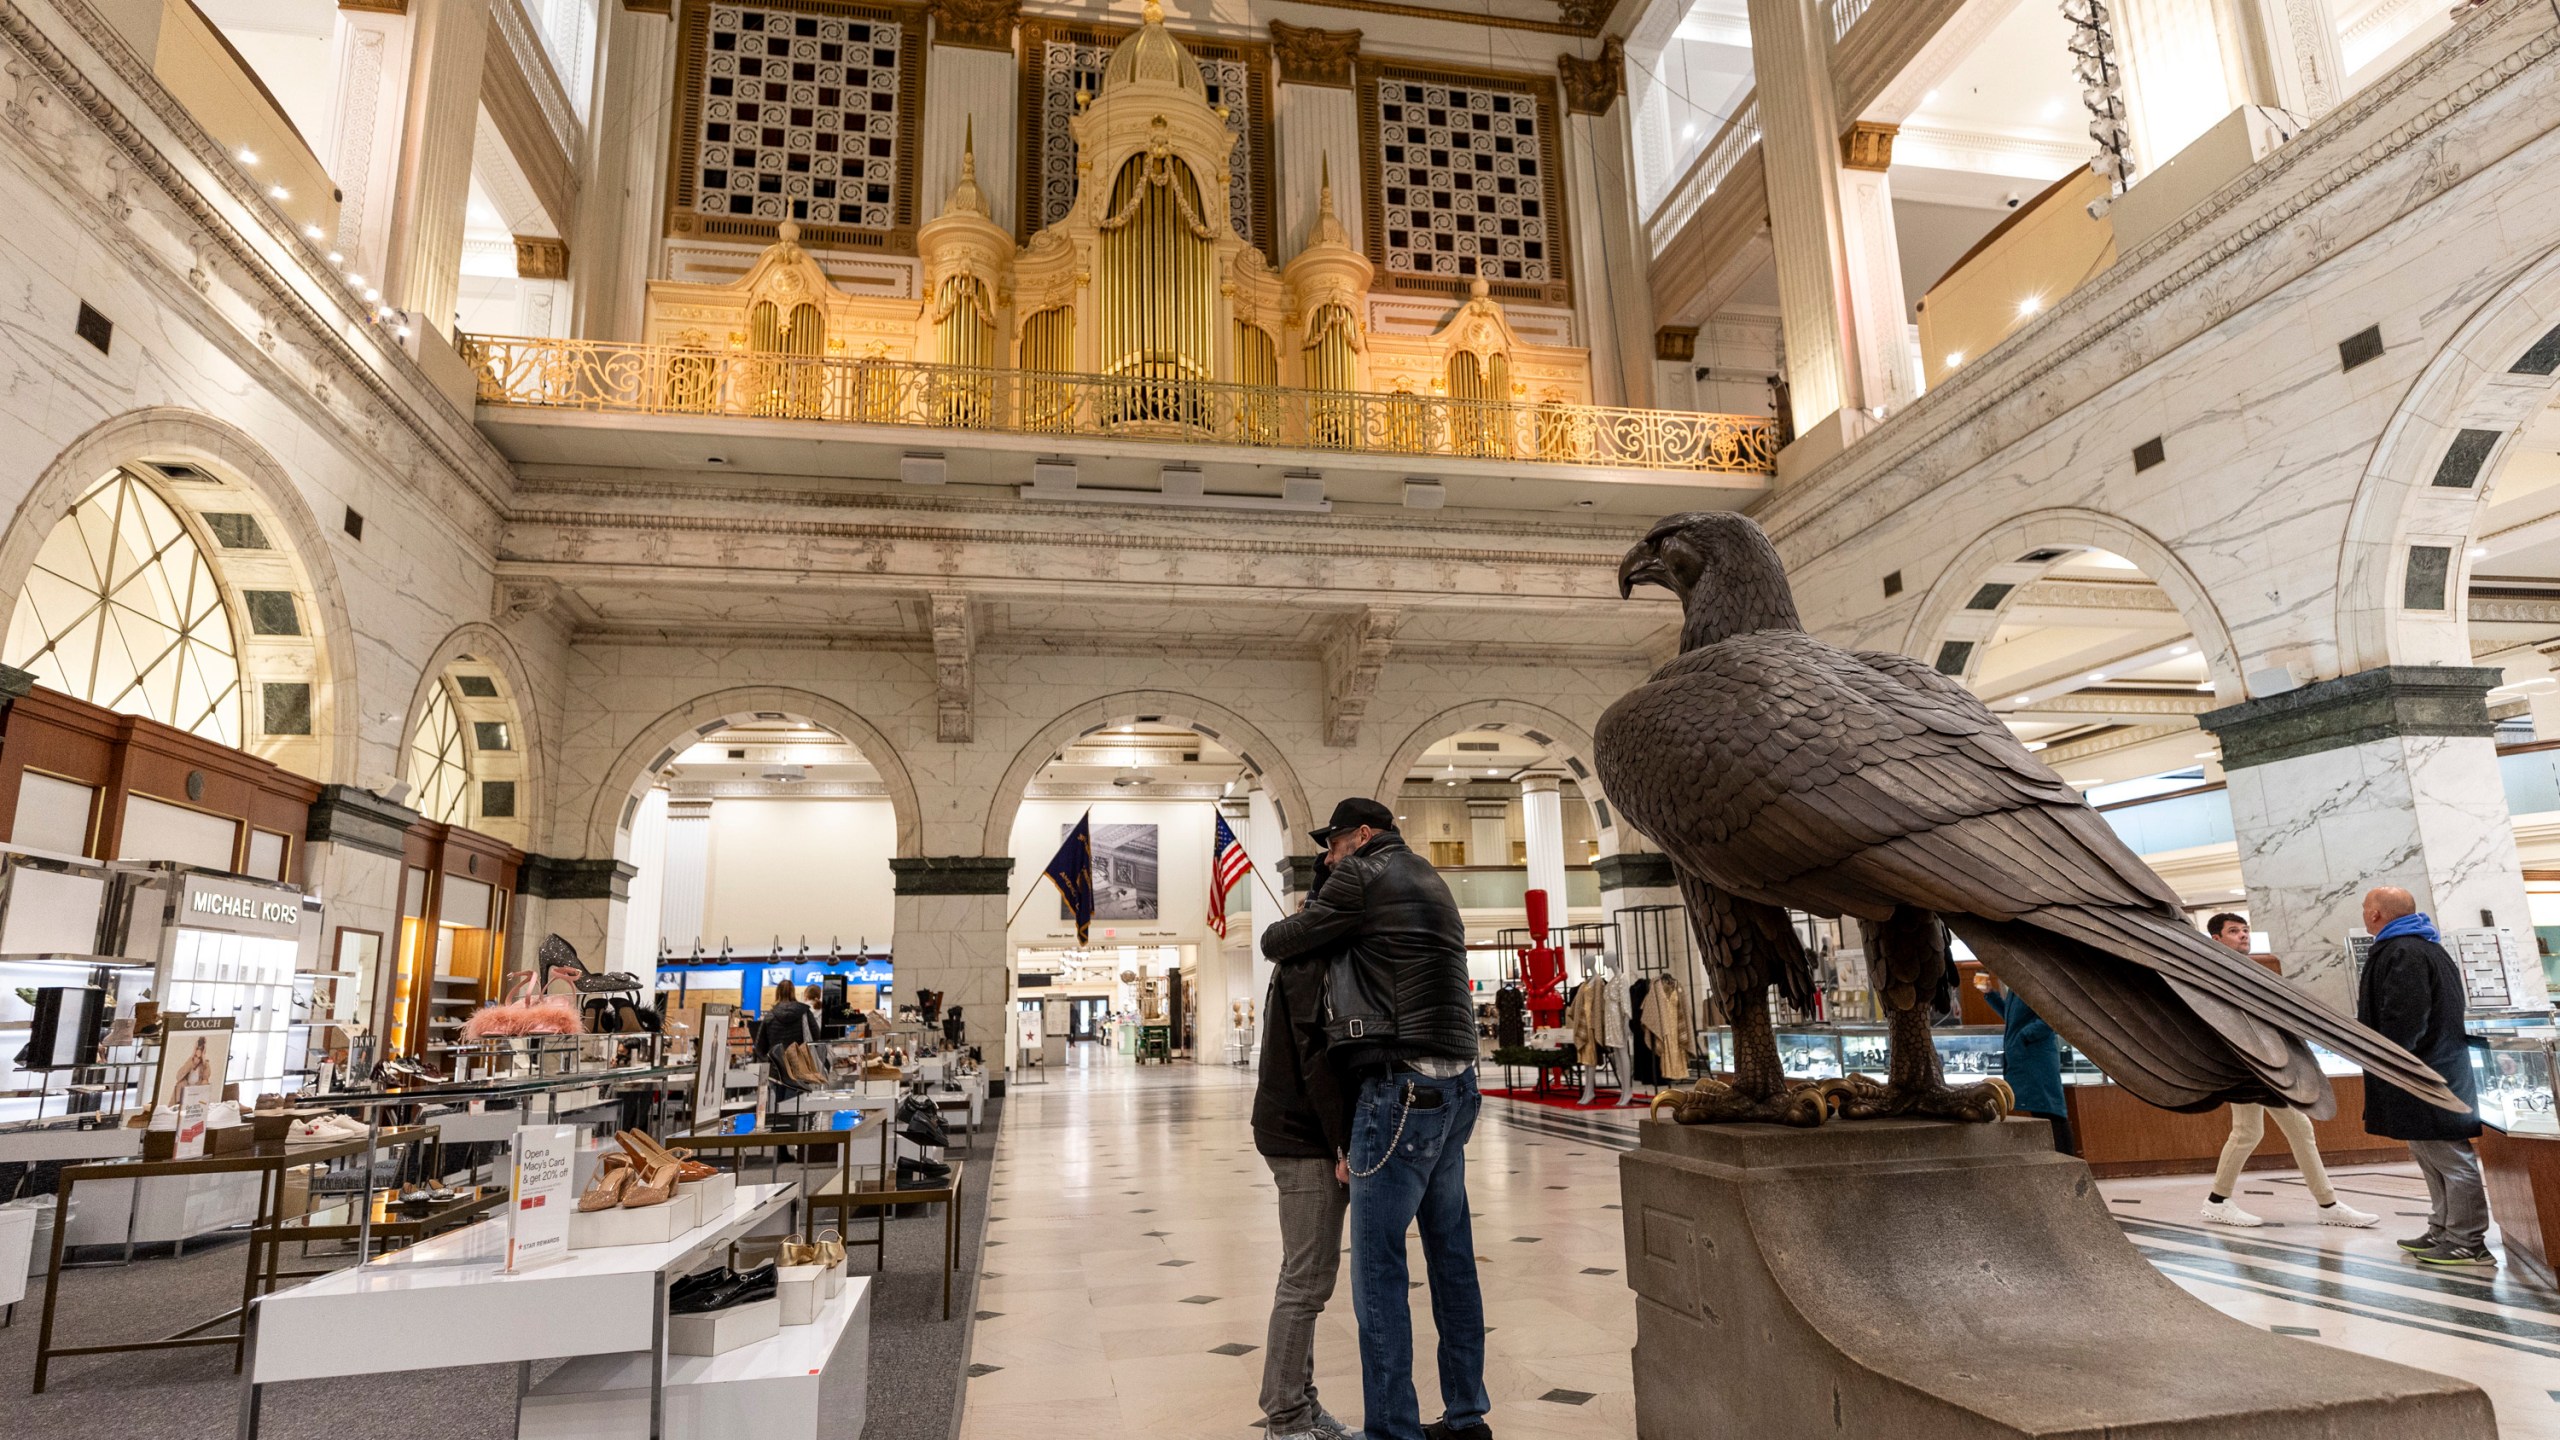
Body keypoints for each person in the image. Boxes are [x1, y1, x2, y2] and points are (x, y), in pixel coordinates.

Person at [1263, 797, 1490, 1440]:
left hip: (1400, 1089)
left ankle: (1393, 1430)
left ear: (1362, 836)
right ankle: (1468, 1416)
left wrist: (1314, 906)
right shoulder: (1431, 878)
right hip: (1458, 1084)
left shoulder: (1363, 873)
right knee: (1453, 1260)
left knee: (1379, 1271)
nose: (1327, 859)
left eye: (1331, 845)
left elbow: (1277, 941)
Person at [1250, 852, 1357, 1440]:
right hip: (1303, 1137)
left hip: (1289, 1130)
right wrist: (1340, 1141)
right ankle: (1286, 1416)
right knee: (1307, 1281)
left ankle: (1303, 1403)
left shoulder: (1301, 955)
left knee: (1302, 1273)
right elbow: (1317, 1062)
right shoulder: (1311, 962)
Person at [2195, 912, 2377, 1228]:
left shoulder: (2246, 968)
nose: (2243, 936)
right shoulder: (2216, 972)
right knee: (2276, 1129)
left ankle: (2219, 1200)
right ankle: (2325, 1204)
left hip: (2260, 1064)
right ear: (2216, 939)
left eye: (2245, 930)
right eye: (2234, 931)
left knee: (2253, 1131)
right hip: (2247, 1066)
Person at [2356, 887, 2494, 1266]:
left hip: (2425, 1074)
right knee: (2430, 1154)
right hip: (2426, 1070)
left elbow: (2406, 1018)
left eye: (2367, 908)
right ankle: (2443, 1228)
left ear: (2378, 914)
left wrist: (2394, 1061)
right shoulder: (2417, 946)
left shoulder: (2405, 951)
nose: (2365, 914)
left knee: (2450, 1156)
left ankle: (2467, 1239)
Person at [1974, 972, 2070, 1154]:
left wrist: (2024, 1037)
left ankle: (2066, 1157)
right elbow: (2012, 1018)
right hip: (2023, 1059)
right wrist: (1989, 993)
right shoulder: (2017, 988)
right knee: (2039, 1109)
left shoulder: (2035, 984)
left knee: (2049, 1110)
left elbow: (2052, 1017)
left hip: (2035, 1059)